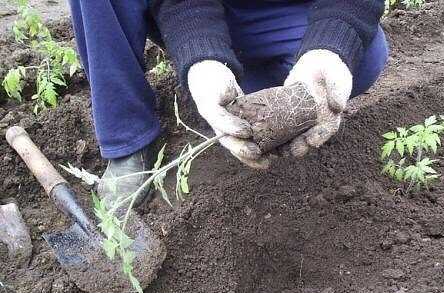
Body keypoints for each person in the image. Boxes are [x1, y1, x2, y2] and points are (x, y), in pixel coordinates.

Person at [68, 0, 388, 206]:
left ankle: (257, 71)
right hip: (193, 8)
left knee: (356, 62)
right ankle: (128, 139)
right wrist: (202, 57)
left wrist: (330, 47)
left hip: (282, 9)